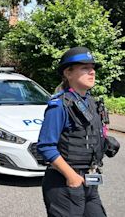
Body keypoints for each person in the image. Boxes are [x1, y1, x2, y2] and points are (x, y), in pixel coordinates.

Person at [37, 47, 112, 217]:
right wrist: (71, 177)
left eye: (92, 67)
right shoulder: (59, 105)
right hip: (65, 183)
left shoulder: (90, 102)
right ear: (68, 73)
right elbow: (45, 146)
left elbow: (84, 135)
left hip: (90, 182)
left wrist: (105, 142)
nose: (92, 72)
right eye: (84, 68)